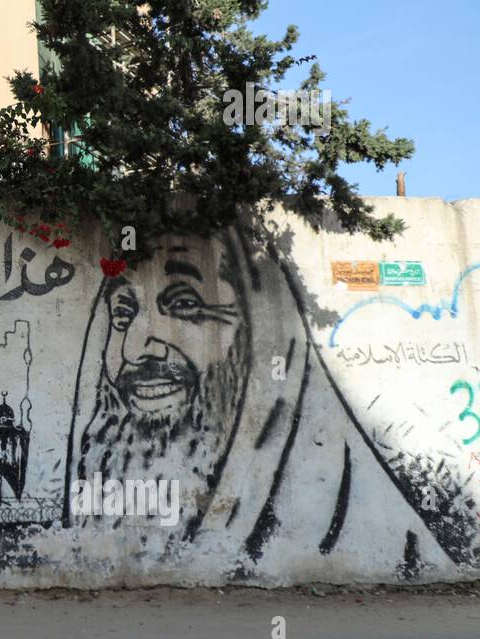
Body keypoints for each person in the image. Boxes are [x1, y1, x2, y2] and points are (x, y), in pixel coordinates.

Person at [67, 227, 477, 579]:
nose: (135, 351)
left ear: (256, 337)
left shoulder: (390, 547)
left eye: (185, 306)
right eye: (122, 316)